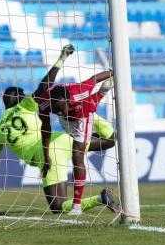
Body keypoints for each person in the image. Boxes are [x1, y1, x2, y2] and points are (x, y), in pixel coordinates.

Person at [0, 45, 120, 217]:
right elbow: (44, 86)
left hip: (47, 152)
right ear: (21, 98)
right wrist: (61, 60)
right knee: (106, 138)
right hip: (62, 138)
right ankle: (106, 126)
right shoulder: (26, 105)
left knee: (57, 206)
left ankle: (100, 199)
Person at [45, 70, 114, 215]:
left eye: (61, 108)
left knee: (77, 157)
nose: (60, 112)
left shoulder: (81, 94)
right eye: (56, 110)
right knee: (75, 143)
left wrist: (114, 72)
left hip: (81, 117)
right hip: (69, 121)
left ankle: (76, 206)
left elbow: (94, 78)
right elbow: (45, 122)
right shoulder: (48, 102)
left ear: (67, 99)